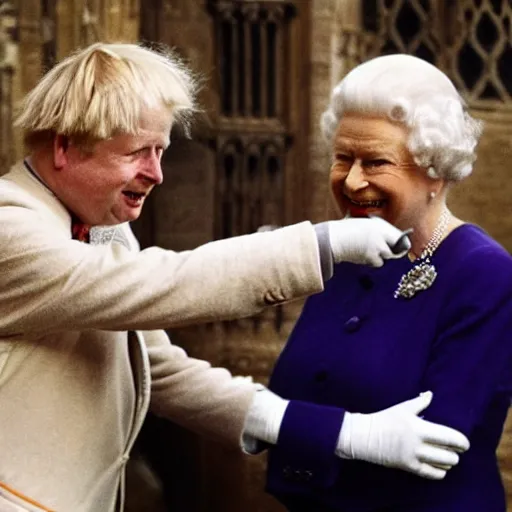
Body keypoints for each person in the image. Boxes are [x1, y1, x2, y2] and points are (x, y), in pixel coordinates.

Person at [0, 44, 469, 512]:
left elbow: (161, 372)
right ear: (63, 146)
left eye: (160, 151)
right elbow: (169, 282)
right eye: (138, 153)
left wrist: (349, 434)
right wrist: (320, 244)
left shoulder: (104, 229)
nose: (157, 174)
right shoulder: (10, 226)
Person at [261, 53, 512, 511]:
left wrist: (276, 424)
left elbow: (434, 445)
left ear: (435, 168)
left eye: (375, 162)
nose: (353, 181)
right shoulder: (349, 253)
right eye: (343, 158)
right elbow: (290, 389)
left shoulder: (484, 273)